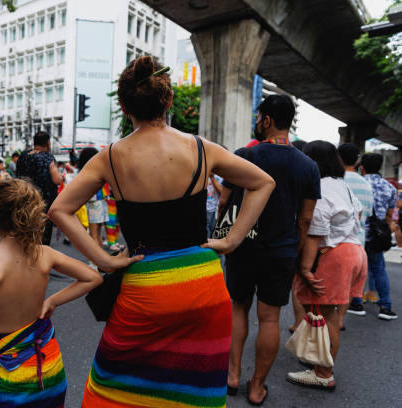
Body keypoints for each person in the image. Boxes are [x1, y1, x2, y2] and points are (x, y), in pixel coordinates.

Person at [49, 55, 275, 407]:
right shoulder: (201, 148)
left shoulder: (109, 157)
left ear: (124, 106)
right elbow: (263, 182)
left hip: (145, 286)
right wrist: (231, 240)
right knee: (193, 388)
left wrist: (103, 261)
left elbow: (59, 210)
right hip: (202, 284)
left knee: (116, 388)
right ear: (168, 101)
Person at [0, 179, 102, 408]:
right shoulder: (45, 254)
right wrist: (53, 300)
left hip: (8, 374)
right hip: (48, 368)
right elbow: (93, 277)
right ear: (33, 215)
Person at [223, 94, 321, 404]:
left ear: (266, 120)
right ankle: (256, 388)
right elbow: (305, 218)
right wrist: (296, 250)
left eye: (258, 116)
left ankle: (233, 375)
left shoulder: (243, 156)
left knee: (238, 308)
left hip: (242, 244)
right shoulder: (308, 165)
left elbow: (225, 202)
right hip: (281, 249)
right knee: (269, 318)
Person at [286, 140, 367, 390]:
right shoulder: (342, 186)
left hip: (334, 255)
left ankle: (323, 374)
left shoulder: (319, 188)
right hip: (354, 250)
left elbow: (313, 229)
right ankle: (320, 365)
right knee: (326, 313)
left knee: (328, 316)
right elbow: (360, 212)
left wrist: (306, 268)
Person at [338, 143, 374, 322]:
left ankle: (329, 322)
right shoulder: (366, 184)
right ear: (357, 160)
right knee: (348, 288)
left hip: (336, 243)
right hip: (359, 244)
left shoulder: (336, 180)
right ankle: (340, 320)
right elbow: (368, 213)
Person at [360, 153, 398, 320]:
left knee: (358, 269)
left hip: (359, 233)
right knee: (378, 268)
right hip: (377, 235)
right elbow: (390, 215)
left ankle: (355, 302)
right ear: (381, 167)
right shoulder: (390, 187)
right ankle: (385, 306)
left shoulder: (358, 183)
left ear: (362, 167)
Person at [17, 131, 63, 245]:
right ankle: (41, 258)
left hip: (24, 198)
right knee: (43, 233)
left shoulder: (23, 156)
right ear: (48, 143)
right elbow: (57, 180)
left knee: (26, 230)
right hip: (43, 202)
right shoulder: (48, 158)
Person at [77, 148, 109, 250]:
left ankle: (97, 263)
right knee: (98, 234)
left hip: (93, 204)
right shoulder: (100, 170)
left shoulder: (87, 172)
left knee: (93, 235)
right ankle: (102, 260)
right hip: (102, 203)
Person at [206, 172, 224, 237]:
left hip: (215, 210)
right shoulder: (202, 172)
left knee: (214, 234)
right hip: (203, 209)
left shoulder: (221, 175)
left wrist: (212, 177)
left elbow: (222, 193)